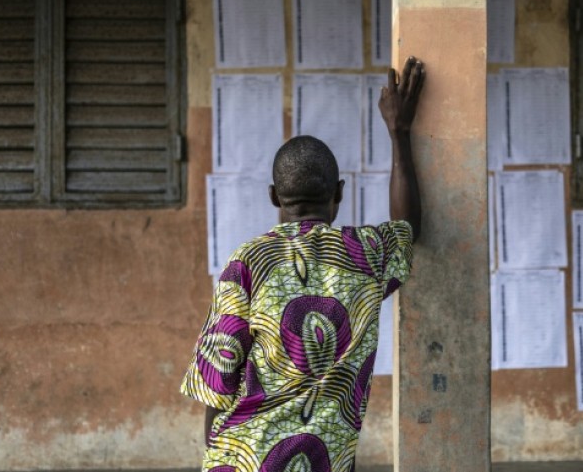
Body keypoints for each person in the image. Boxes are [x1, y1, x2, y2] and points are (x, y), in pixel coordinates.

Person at [180, 56, 426, 471]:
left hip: (242, 455)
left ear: (275, 196)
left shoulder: (248, 261)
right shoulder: (365, 256)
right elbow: (408, 226)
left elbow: (217, 383)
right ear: (339, 194)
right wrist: (399, 132)